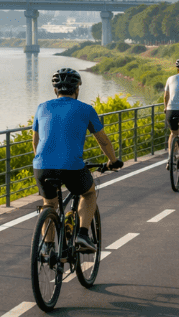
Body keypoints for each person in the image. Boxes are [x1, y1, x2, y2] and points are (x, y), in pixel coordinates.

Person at [32, 68, 123, 252]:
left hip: (42, 166)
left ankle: (47, 248)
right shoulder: (86, 109)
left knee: (49, 203)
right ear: (77, 89)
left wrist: (43, 161)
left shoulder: (42, 107)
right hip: (72, 166)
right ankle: (82, 235)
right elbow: (103, 140)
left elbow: (35, 141)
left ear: (55, 90)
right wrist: (112, 160)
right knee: (88, 193)